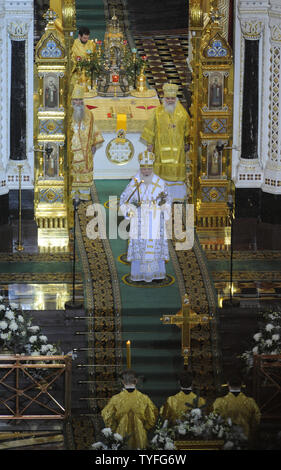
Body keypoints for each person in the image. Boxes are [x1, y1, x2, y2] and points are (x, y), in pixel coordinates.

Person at [119, 150, 171, 283]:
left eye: (148, 168)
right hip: (140, 218)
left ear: (152, 168)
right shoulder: (135, 182)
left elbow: (168, 200)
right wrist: (130, 212)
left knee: (154, 245)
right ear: (140, 167)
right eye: (144, 168)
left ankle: (156, 274)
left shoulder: (160, 182)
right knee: (140, 245)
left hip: (155, 219)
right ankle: (139, 274)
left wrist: (163, 207)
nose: (146, 171)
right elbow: (124, 199)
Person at [141, 82, 191, 203]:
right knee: (161, 174)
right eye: (167, 98)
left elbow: (188, 130)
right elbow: (150, 128)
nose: (170, 101)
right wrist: (149, 144)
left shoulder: (183, 114)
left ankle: (176, 196)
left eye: (172, 98)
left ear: (176, 99)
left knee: (176, 174)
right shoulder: (157, 112)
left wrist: (187, 142)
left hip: (177, 151)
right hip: (161, 150)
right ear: (164, 98)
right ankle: (160, 194)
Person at [101, 369, 158, 449]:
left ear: (123, 382)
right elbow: (152, 416)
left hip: (121, 435)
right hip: (140, 434)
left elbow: (107, 415)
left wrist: (115, 429)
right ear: (136, 381)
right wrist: (144, 428)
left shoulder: (116, 399)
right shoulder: (144, 398)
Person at [212, 374, 261, 443]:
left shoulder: (219, 402)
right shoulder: (250, 402)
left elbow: (215, 419)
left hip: (226, 438)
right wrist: (251, 431)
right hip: (246, 437)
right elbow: (256, 419)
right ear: (242, 384)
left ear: (228, 384)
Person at [70, 84, 103, 186]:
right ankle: (74, 197)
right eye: (75, 100)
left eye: (80, 100)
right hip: (71, 151)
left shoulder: (88, 113)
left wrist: (93, 144)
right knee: (72, 174)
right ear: (71, 100)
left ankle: (84, 196)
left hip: (86, 151)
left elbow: (93, 128)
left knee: (85, 174)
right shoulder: (67, 113)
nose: (78, 102)